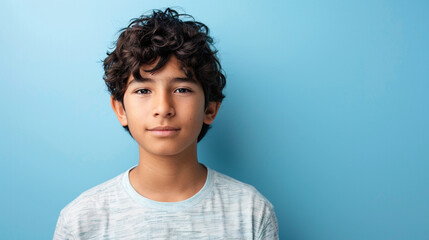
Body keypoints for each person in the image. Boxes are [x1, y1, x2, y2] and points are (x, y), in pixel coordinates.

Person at [53, 8, 278, 239]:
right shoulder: (81, 219)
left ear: (210, 108)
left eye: (182, 89)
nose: (163, 108)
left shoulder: (251, 212)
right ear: (121, 109)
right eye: (143, 90)